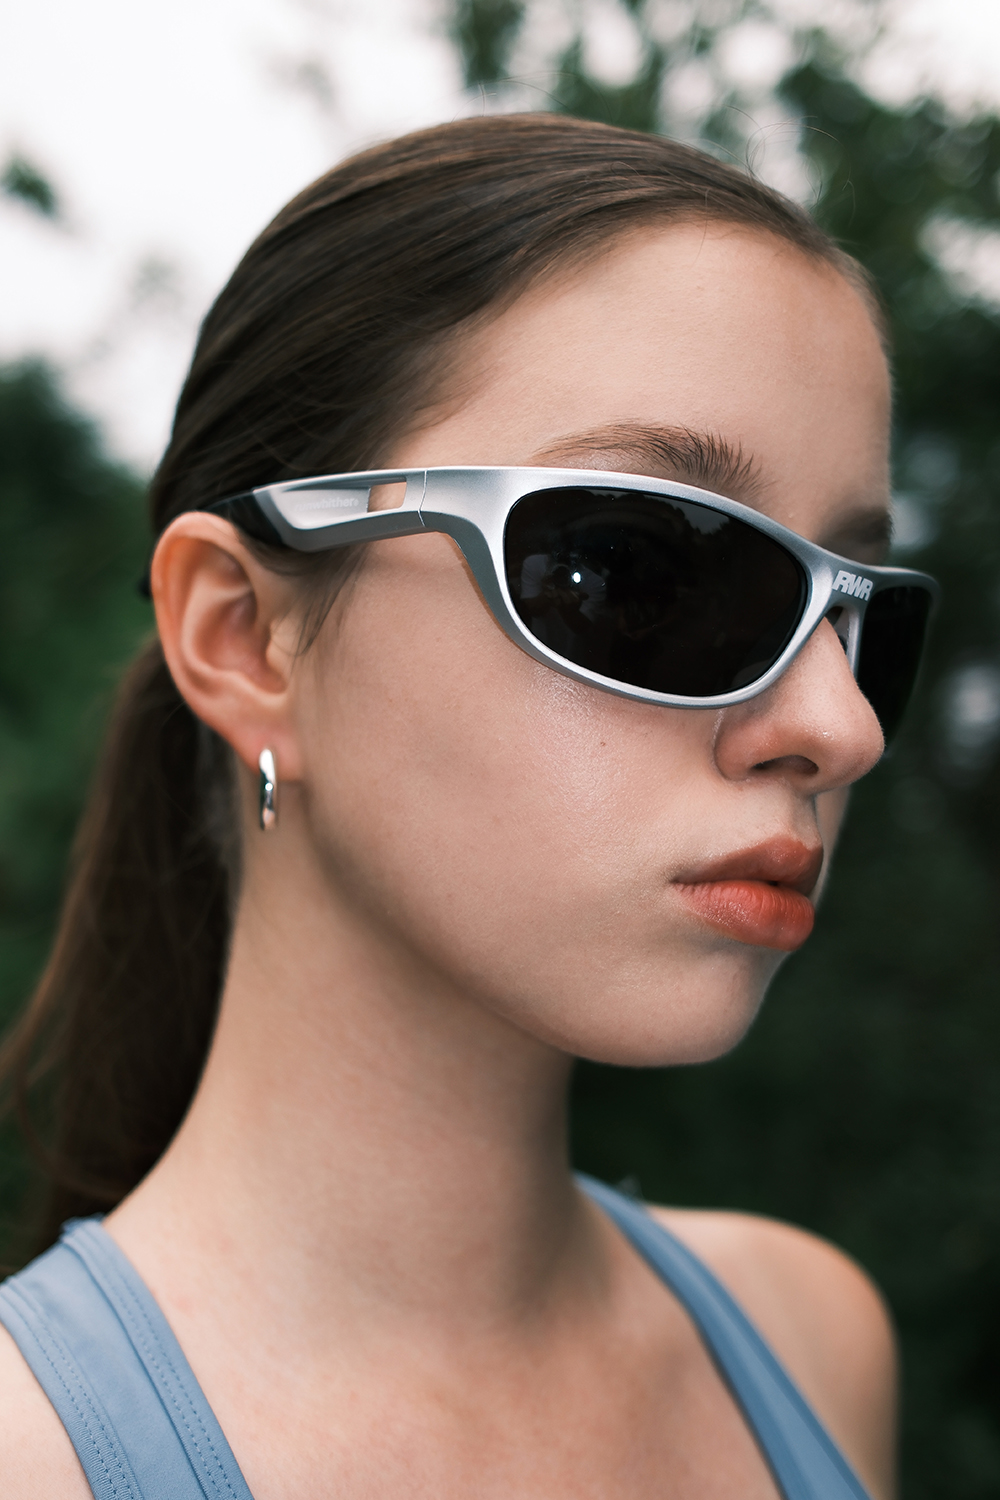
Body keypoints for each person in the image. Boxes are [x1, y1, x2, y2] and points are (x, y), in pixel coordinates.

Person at [0, 113, 936, 1500]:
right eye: (639, 571)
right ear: (244, 638)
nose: (840, 727)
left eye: (859, 619)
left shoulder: (811, 1338)